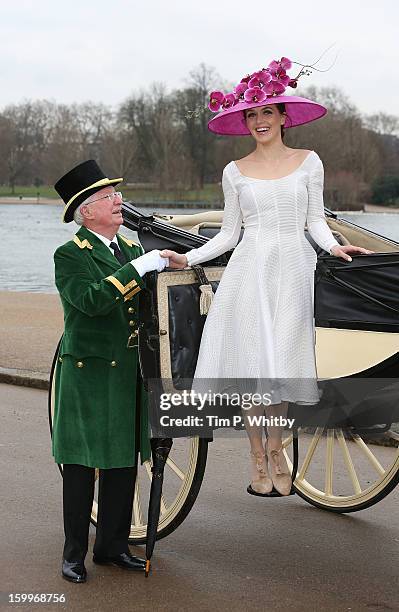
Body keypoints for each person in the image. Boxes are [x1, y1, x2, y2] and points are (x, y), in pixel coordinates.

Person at [160, 57, 372, 497]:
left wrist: (334, 246)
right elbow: (230, 234)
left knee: (280, 366)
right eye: (252, 114)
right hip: (249, 272)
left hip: (293, 270)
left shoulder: (309, 161)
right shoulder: (234, 172)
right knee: (254, 367)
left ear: (282, 117)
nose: (259, 121)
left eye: (266, 112)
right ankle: (258, 455)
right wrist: (189, 257)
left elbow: (315, 221)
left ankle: (277, 450)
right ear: (246, 121)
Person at [52, 160, 168, 583]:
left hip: (126, 373)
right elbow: (93, 300)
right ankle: (73, 554)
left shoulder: (132, 250)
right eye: (108, 197)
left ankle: (112, 547)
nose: (120, 201)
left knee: (122, 462)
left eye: (116, 194)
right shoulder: (69, 254)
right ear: (86, 212)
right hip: (88, 375)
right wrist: (138, 270)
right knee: (81, 466)